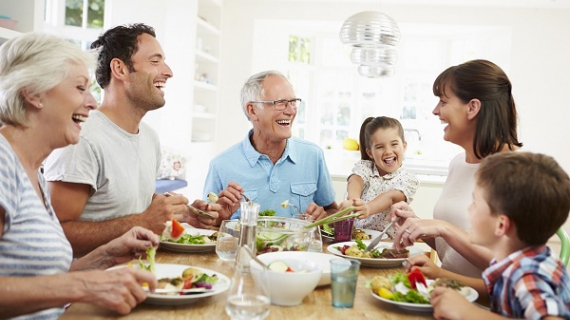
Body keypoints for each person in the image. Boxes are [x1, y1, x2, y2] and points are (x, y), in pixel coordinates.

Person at [0, 32, 158, 320]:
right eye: (79, 88)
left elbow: (44, 280)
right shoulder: (2, 164)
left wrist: (105, 257)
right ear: (34, 92)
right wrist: (84, 285)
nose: (92, 103)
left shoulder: (32, 172)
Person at [43, 23, 220, 257]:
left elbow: (132, 208)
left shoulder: (149, 138)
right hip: (92, 284)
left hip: (138, 275)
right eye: (155, 61)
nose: (168, 71)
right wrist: (144, 221)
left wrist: (183, 215)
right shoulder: (82, 138)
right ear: (120, 69)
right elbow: (56, 233)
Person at [391, 59, 523, 278]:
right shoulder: (458, 163)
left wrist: (443, 228)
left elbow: (508, 267)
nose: (435, 111)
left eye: (443, 101)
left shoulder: (515, 173)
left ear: (472, 107)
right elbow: (453, 251)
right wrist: (418, 225)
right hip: (447, 295)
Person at [424, 152, 570, 320]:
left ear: (501, 225)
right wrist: (439, 276)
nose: (468, 209)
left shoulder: (529, 274)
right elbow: (495, 290)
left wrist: (470, 313)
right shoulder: (516, 260)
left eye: (474, 203)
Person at [203, 70, 338, 224]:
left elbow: (332, 211)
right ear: (252, 110)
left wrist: (324, 218)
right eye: (280, 103)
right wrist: (219, 220)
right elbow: (206, 226)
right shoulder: (221, 165)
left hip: (298, 248)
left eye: (293, 102)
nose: (291, 111)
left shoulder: (313, 155)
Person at [338, 116, 419, 236]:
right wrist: (353, 201)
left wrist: (368, 208)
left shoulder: (408, 179)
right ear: (370, 152)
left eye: (394, 144)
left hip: (387, 244)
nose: (388, 151)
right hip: (354, 240)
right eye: (380, 147)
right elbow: (355, 180)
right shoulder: (365, 167)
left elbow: (390, 197)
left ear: (404, 146)